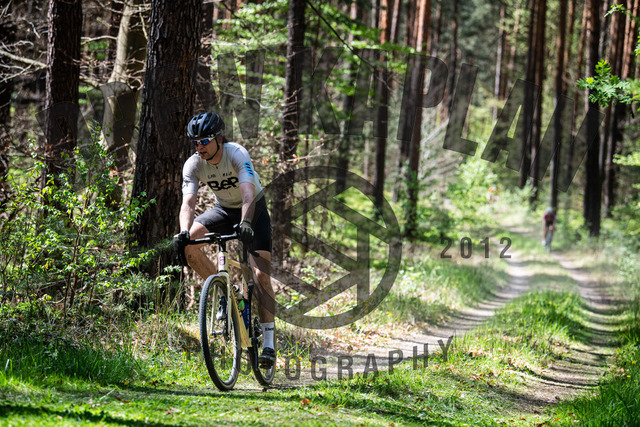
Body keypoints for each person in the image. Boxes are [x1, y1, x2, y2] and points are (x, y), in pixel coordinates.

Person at [172, 112, 276, 368]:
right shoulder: (193, 164)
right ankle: (224, 291)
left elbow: (248, 194)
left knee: (261, 275)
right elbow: (188, 202)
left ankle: (269, 344)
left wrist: (246, 223)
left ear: (219, 138)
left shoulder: (236, 153)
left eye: (204, 141)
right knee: (189, 247)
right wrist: (184, 231)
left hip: (253, 210)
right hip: (223, 210)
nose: (199, 147)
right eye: (195, 142)